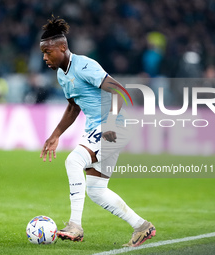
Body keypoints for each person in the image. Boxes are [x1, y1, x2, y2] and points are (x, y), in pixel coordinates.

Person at [39, 16, 156, 247]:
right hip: (96, 128)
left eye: (48, 52)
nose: (44, 57)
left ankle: (75, 225)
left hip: (113, 127)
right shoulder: (62, 74)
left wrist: (111, 124)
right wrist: (56, 134)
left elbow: (118, 92)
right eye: (43, 53)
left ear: (62, 47)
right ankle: (141, 226)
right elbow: (73, 106)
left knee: (73, 161)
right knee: (96, 190)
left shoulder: (85, 66)